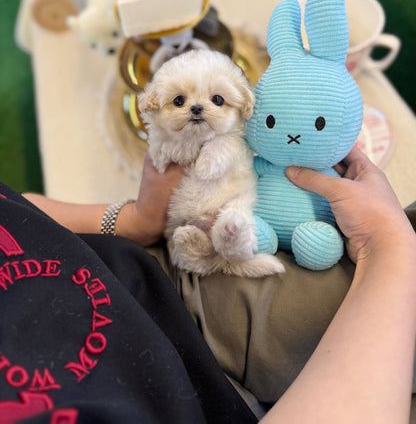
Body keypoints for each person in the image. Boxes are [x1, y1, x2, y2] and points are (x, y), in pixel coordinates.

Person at [1, 147, 415, 423]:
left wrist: (133, 221)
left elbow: (20, 209)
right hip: (214, 364)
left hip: (165, 269)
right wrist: (388, 245)